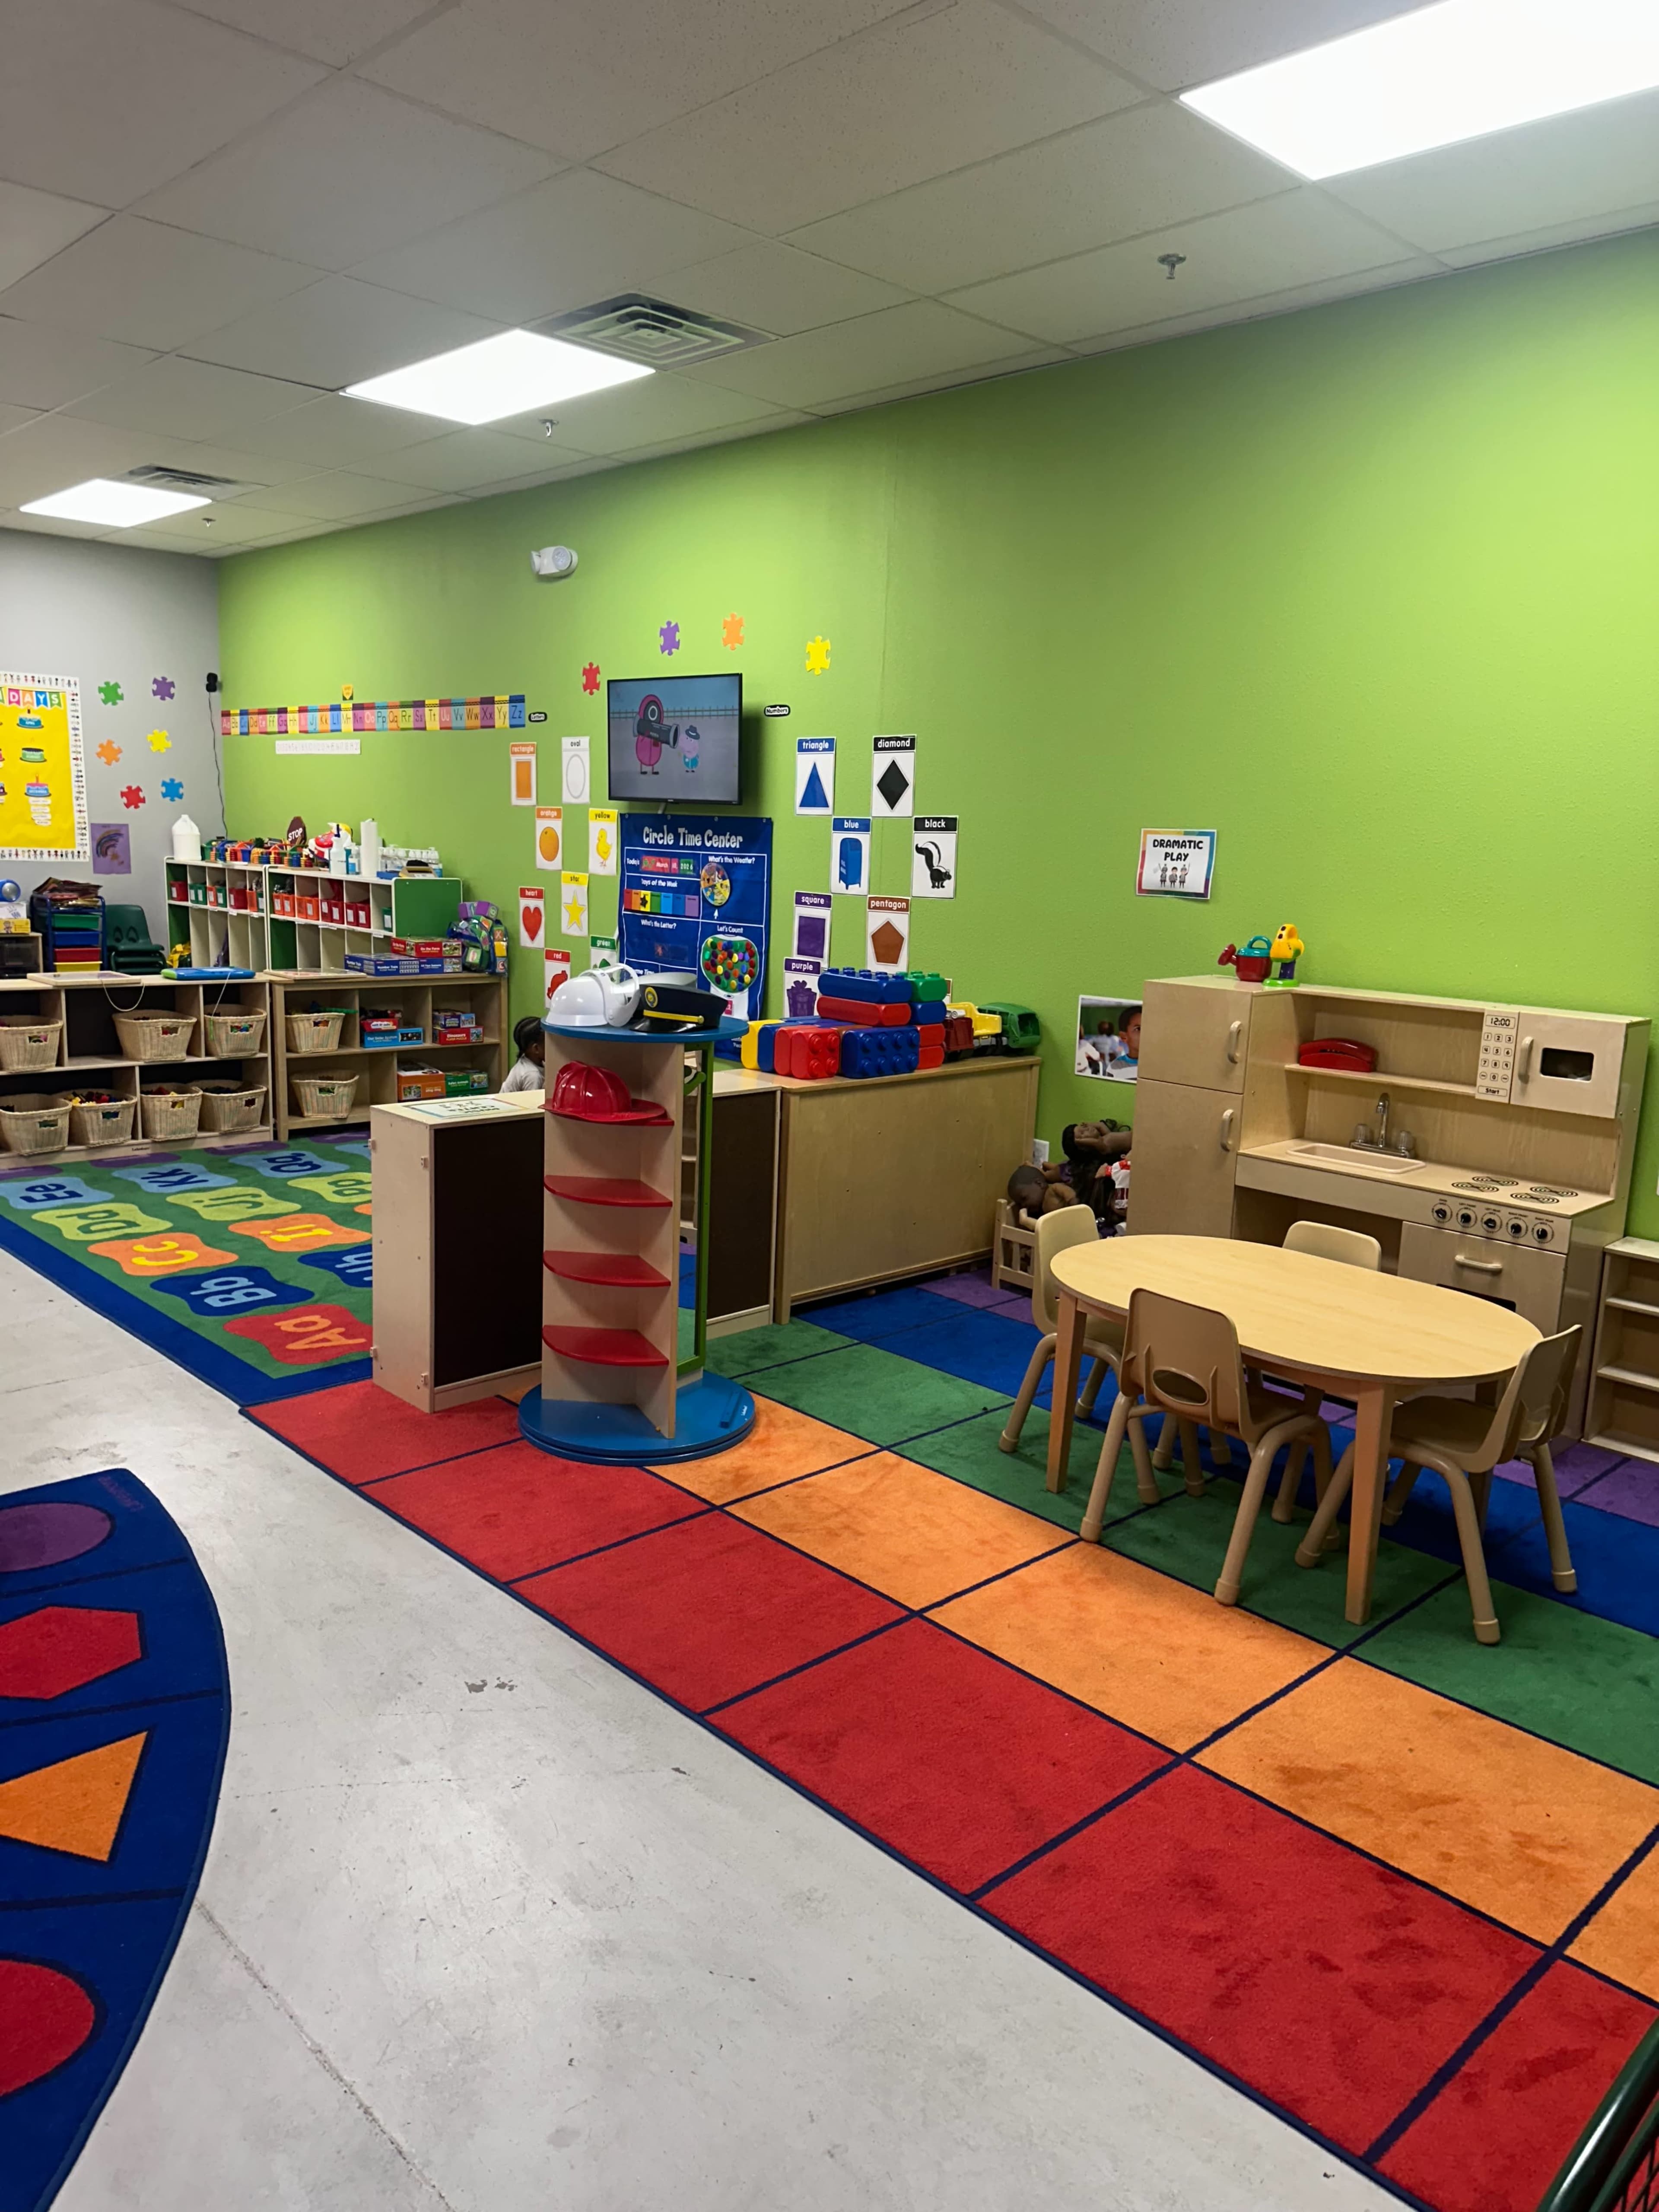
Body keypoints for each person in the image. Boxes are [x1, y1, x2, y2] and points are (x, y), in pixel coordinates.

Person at [501, 1014, 545, 1093]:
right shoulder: (533, 1075)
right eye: (548, 1044)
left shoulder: (527, 1059)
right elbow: (532, 1103)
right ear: (536, 1049)